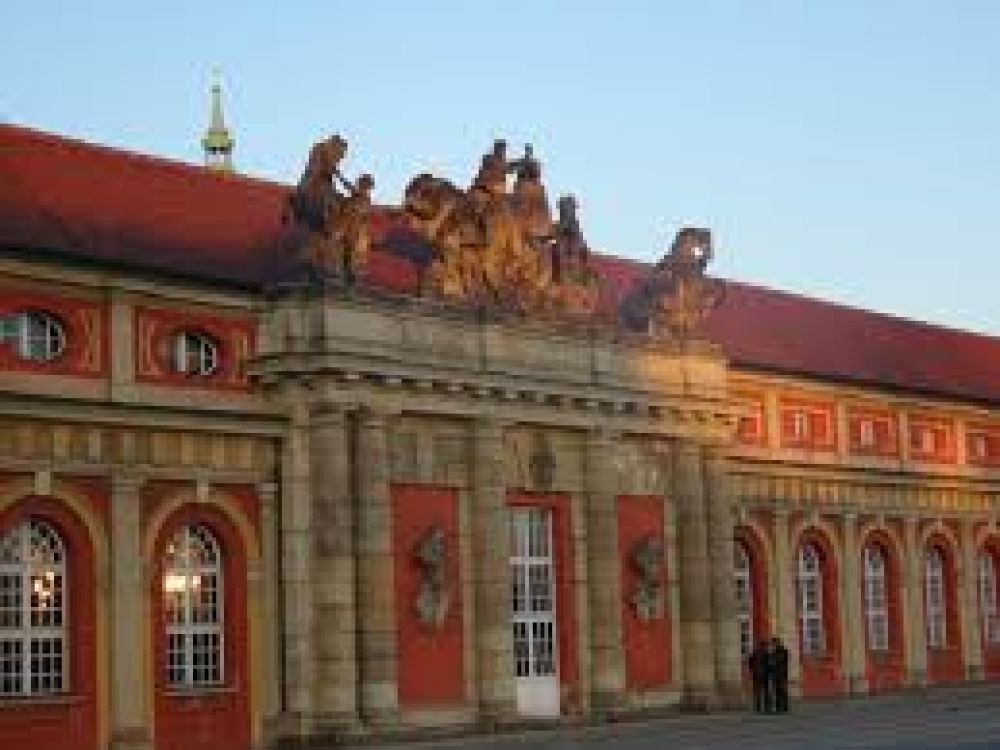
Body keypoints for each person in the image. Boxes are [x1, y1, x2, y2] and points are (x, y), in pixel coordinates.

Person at [748, 640, 771, 713]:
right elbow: (770, 664)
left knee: (757, 691)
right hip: (764, 674)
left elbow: (750, 663)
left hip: (757, 674)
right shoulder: (767, 654)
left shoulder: (755, 653)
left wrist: (752, 670)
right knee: (765, 691)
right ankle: (766, 707)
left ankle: (758, 707)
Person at [769, 636, 790, 712]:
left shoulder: (782, 651)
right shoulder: (775, 652)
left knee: (781, 691)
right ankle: (780, 706)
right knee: (778, 691)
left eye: (773, 643)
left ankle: (783, 707)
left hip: (780, 673)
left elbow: (782, 661)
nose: (773, 645)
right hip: (778, 673)